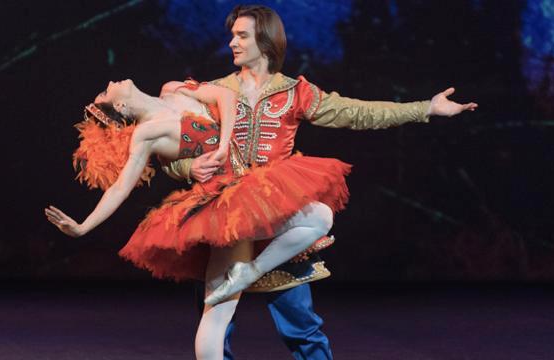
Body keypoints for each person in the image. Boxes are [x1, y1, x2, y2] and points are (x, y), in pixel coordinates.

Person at [162, 4, 478, 358]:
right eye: (232, 35)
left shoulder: (296, 93)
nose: (232, 43)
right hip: (225, 222)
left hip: (275, 224)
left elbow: (358, 113)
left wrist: (425, 108)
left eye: (241, 36)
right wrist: (189, 170)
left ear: (265, 42)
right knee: (216, 330)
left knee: (303, 329)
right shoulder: (213, 92)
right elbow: (170, 150)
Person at [45, 78, 352, 359]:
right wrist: (83, 226)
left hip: (256, 190)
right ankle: (245, 274)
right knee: (216, 313)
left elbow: (224, 97)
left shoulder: (172, 89)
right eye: (106, 90)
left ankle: (250, 271)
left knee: (320, 217)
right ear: (122, 107)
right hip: (222, 207)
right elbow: (120, 187)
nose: (111, 82)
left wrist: (222, 145)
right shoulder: (148, 133)